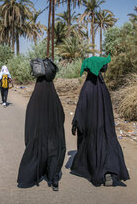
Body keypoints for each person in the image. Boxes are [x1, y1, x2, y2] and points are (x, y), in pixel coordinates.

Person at [70, 55, 130, 187]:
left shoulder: (87, 87)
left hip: (91, 127)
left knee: (92, 147)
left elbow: (81, 107)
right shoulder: (103, 87)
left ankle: (98, 171)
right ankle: (109, 172)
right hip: (105, 127)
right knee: (107, 147)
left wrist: (76, 123)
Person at [17, 59, 65, 191]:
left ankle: (32, 175)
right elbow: (61, 116)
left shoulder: (35, 96)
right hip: (53, 135)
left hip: (39, 134)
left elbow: (30, 119)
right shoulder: (53, 96)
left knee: (39, 148)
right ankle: (54, 178)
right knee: (54, 150)